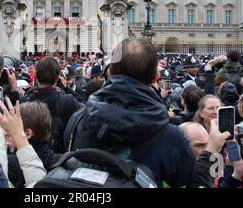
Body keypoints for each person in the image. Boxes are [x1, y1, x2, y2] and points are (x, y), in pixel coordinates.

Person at [79, 38, 196, 188]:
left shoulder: (80, 118)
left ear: (109, 72)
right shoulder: (171, 137)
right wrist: (210, 153)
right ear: (156, 78)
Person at [22, 57, 83, 154]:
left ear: (36, 77)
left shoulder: (26, 99)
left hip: (30, 154)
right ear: (56, 78)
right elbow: (84, 108)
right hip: (58, 156)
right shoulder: (67, 101)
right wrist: (66, 88)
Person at [5, 101, 55, 188]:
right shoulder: (58, 161)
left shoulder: (9, 165)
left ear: (28, 133)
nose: (7, 140)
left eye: (10, 133)